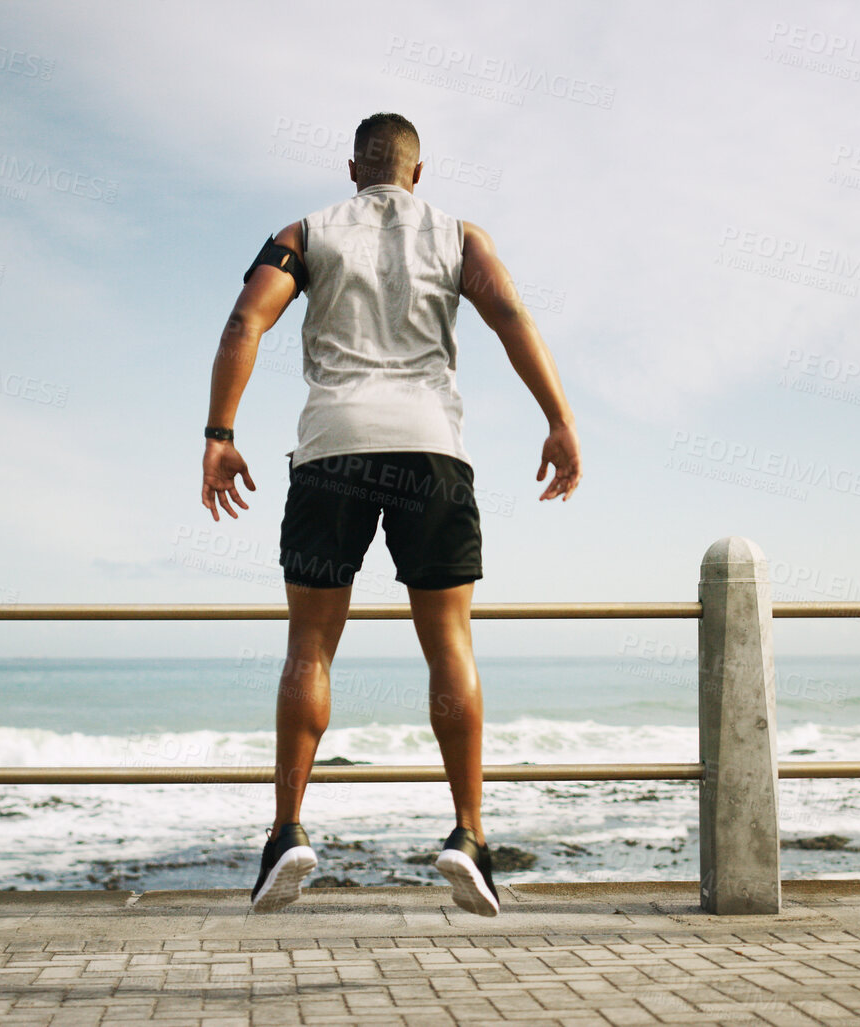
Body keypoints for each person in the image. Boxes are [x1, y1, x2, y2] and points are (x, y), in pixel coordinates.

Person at [200, 112, 580, 916]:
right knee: (448, 643)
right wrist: (559, 419)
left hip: (333, 445)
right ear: (417, 172)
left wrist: (219, 434)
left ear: (352, 169)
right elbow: (510, 316)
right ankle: (468, 837)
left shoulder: (304, 232)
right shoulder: (459, 236)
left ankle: (286, 833)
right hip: (431, 448)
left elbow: (244, 321)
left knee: (309, 646)